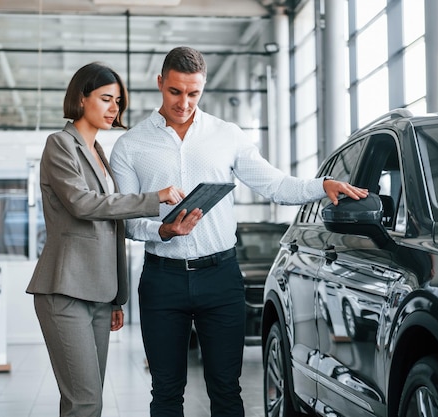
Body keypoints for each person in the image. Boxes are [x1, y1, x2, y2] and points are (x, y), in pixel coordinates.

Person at [109, 46, 369, 417]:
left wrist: (322, 185)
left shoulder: (226, 135)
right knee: (166, 392)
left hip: (220, 278)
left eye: (193, 93)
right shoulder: (130, 146)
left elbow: (276, 186)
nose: (184, 102)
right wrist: (164, 230)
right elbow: (129, 222)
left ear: (203, 88)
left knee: (227, 391)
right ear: (160, 83)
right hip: (162, 281)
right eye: (175, 91)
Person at [25, 62, 203, 417]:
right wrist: (154, 198)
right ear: (81, 98)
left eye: (118, 101)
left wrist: (117, 298)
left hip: (99, 294)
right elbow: (83, 204)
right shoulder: (60, 144)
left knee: (90, 400)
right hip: (65, 289)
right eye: (106, 99)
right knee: (84, 401)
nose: (113, 109)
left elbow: (113, 230)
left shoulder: (100, 155)